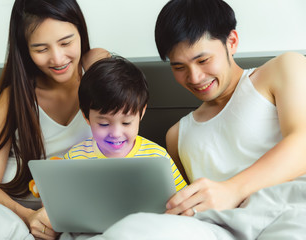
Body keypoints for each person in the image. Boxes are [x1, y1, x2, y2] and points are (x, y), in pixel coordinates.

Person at [86, 0, 306, 239]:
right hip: (218, 228)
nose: (195, 77)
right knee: (128, 230)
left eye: (203, 60)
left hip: (290, 207)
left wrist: (232, 190)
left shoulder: (281, 69)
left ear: (231, 42)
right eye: (179, 66)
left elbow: (302, 141)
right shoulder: (178, 135)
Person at [0, 0, 108, 239]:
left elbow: (123, 118)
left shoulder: (97, 68)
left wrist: (96, 65)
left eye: (66, 42)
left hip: (76, 195)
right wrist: (28, 217)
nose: (57, 58)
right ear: (25, 49)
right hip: (18, 194)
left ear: (81, 33)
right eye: (41, 49)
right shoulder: (14, 96)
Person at [29, 56, 187, 201]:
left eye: (126, 123)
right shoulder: (76, 158)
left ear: (141, 113)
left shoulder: (158, 158)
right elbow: (60, 202)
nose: (116, 134)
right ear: (86, 116)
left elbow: (181, 202)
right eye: (104, 124)